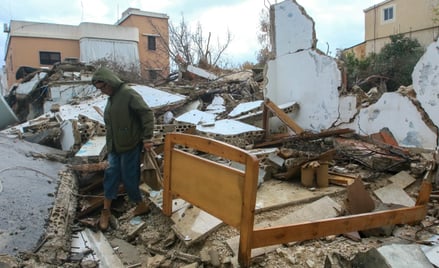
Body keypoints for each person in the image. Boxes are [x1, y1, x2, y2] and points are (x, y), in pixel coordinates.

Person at [92, 67, 155, 231]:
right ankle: (105, 211)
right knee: (111, 174)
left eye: (104, 87)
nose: (103, 91)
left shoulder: (128, 94)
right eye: (100, 89)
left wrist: (148, 138)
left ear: (110, 81)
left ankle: (141, 205)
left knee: (129, 177)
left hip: (130, 144)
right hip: (114, 146)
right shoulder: (111, 98)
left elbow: (146, 113)